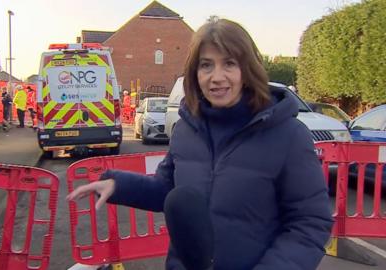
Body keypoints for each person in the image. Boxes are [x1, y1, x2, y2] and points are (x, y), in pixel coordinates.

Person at [68, 17, 333, 270]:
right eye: (206, 65)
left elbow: (310, 223)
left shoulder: (289, 135)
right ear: (195, 73)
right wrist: (118, 184)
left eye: (229, 64)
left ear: (247, 69)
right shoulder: (186, 130)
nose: (216, 77)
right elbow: (169, 190)